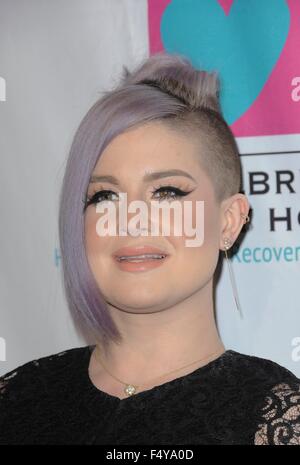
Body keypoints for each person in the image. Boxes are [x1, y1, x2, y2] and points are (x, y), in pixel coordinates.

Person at [0, 52, 299, 445]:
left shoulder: (277, 419)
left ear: (228, 221)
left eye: (167, 191)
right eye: (104, 195)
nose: (132, 219)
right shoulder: (16, 399)